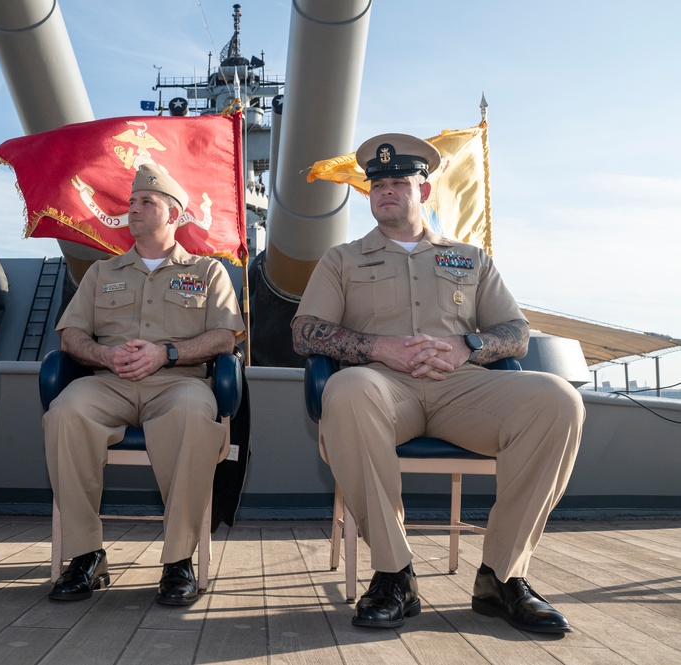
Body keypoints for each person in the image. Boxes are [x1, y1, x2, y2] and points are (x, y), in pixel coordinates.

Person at [291, 133, 584, 633]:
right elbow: (305, 331)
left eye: (399, 182)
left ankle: (502, 578)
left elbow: (515, 333)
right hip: (383, 386)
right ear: (368, 196)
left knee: (558, 400)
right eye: (377, 183)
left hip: (461, 387)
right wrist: (378, 348)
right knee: (346, 390)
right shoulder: (342, 259)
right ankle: (394, 573)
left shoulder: (470, 259)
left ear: (423, 192)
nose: (386, 190)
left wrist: (466, 346)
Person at [44, 163, 244, 606]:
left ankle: (177, 562)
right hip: (109, 381)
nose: (132, 207)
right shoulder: (101, 272)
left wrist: (167, 352)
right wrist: (103, 355)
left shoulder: (208, 272)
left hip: (176, 382)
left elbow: (224, 337)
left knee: (195, 416)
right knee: (65, 414)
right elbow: (71, 334)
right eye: (131, 201)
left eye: (145, 202)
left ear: (172, 214)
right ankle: (85, 556)